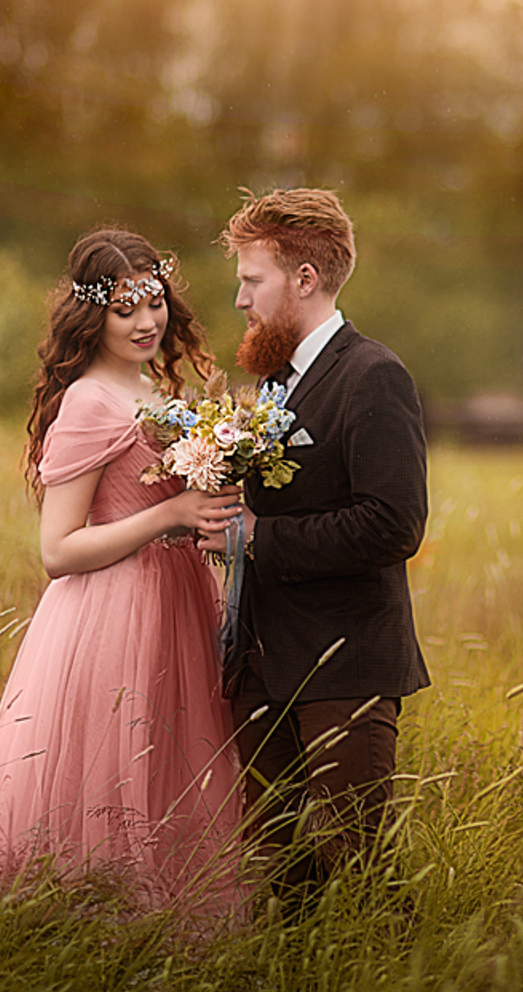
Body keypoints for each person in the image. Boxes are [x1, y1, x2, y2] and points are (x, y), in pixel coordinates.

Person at [0, 227, 246, 921]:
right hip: (114, 608)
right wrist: (171, 511)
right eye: (125, 308)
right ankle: (93, 917)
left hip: (175, 599)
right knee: (112, 766)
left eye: (155, 302)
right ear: (93, 315)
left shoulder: (151, 388)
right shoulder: (87, 402)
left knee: (172, 760)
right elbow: (59, 549)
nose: (147, 321)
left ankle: (174, 922)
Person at [206, 188, 429, 905]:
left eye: (251, 279)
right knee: (283, 878)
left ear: (304, 279)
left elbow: (395, 524)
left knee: (361, 876)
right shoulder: (272, 382)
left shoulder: (373, 376)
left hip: (343, 667)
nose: (240, 299)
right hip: (262, 664)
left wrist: (261, 538)